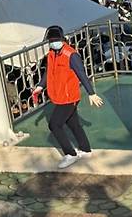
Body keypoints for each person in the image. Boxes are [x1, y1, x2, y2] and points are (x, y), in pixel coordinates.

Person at [32, 26, 104, 170]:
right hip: (59, 96)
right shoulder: (51, 54)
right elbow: (48, 72)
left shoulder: (71, 55)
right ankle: (85, 150)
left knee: (54, 125)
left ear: (62, 39)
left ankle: (70, 154)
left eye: (55, 40)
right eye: (51, 41)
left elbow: (81, 73)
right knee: (73, 124)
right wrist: (40, 86)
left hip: (69, 97)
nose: (53, 43)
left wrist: (91, 93)